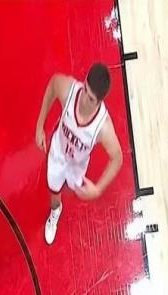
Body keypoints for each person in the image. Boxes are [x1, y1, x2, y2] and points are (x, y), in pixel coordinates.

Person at [35, 63, 123, 244]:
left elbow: (117, 158)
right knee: (53, 188)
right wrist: (39, 125)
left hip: (78, 165)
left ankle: (68, 185)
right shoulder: (69, 90)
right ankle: (55, 210)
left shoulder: (103, 127)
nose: (83, 99)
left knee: (74, 188)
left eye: (90, 99)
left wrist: (97, 190)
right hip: (58, 153)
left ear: (99, 102)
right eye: (85, 90)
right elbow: (53, 85)